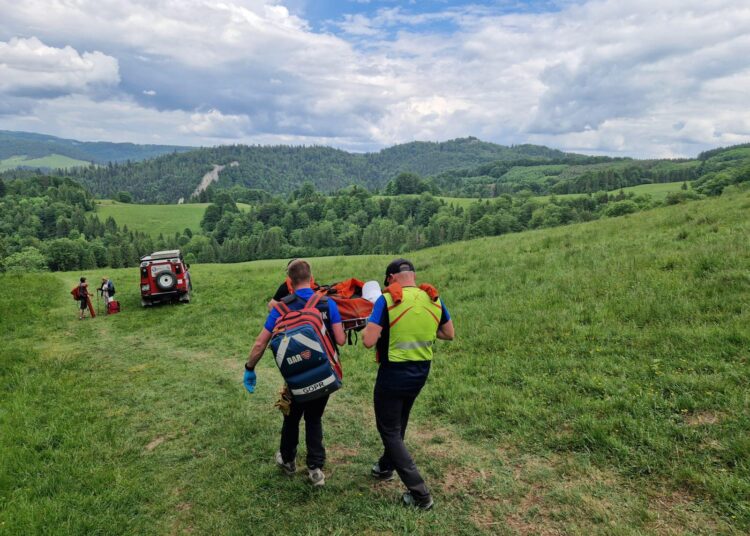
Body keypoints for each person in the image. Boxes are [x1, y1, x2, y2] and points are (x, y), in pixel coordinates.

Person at [362, 258, 455, 511]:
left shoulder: (386, 300)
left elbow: (368, 341)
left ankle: (420, 493)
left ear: (391, 278)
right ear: (413, 276)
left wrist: (373, 327)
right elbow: (448, 333)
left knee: (389, 430)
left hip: (393, 373)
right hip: (421, 372)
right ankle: (385, 466)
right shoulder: (434, 299)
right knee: (399, 421)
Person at [244, 259, 346, 486]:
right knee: (314, 418)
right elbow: (340, 339)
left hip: (295, 378)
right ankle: (315, 469)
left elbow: (261, 344)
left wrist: (249, 368)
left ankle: (288, 461)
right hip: (324, 374)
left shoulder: (281, 308)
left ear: (289, 281)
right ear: (311, 277)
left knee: (291, 417)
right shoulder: (327, 303)